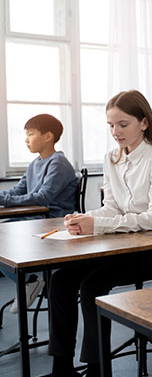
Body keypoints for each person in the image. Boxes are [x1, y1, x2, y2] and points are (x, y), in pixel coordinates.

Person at [47, 90, 152, 377]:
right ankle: (62, 373)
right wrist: (85, 218)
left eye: (123, 124)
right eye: (110, 125)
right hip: (125, 239)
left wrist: (99, 224)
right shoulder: (112, 158)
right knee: (60, 280)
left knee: (92, 286)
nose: (115, 133)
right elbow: (113, 207)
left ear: (144, 123)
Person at [0, 114, 78, 313]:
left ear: (48, 136)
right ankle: (30, 280)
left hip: (52, 222)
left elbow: (43, 197)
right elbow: (18, 191)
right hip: (34, 218)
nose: (26, 140)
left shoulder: (58, 162)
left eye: (31, 134)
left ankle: (30, 280)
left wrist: (5, 200)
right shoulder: (35, 163)